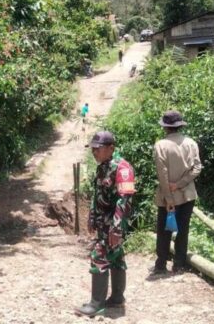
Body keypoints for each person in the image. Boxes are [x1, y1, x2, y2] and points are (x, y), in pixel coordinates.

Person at [76, 131, 135, 317]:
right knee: (116, 258)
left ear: (111, 148)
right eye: (93, 149)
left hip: (115, 223)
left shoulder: (123, 168)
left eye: (98, 149)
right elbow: (98, 194)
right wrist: (92, 215)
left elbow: (124, 200)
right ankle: (117, 298)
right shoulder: (103, 167)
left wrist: (116, 228)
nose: (94, 152)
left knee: (99, 256)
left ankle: (96, 304)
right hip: (104, 223)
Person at [153, 110, 202, 274]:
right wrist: (180, 184)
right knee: (183, 229)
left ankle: (161, 264)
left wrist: (169, 198)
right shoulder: (191, 143)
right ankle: (179, 264)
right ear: (180, 126)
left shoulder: (161, 145)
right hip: (187, 195)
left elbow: (162, 174)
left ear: (165, 127)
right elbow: (197, 168)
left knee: (164, 231)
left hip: (168, 196)